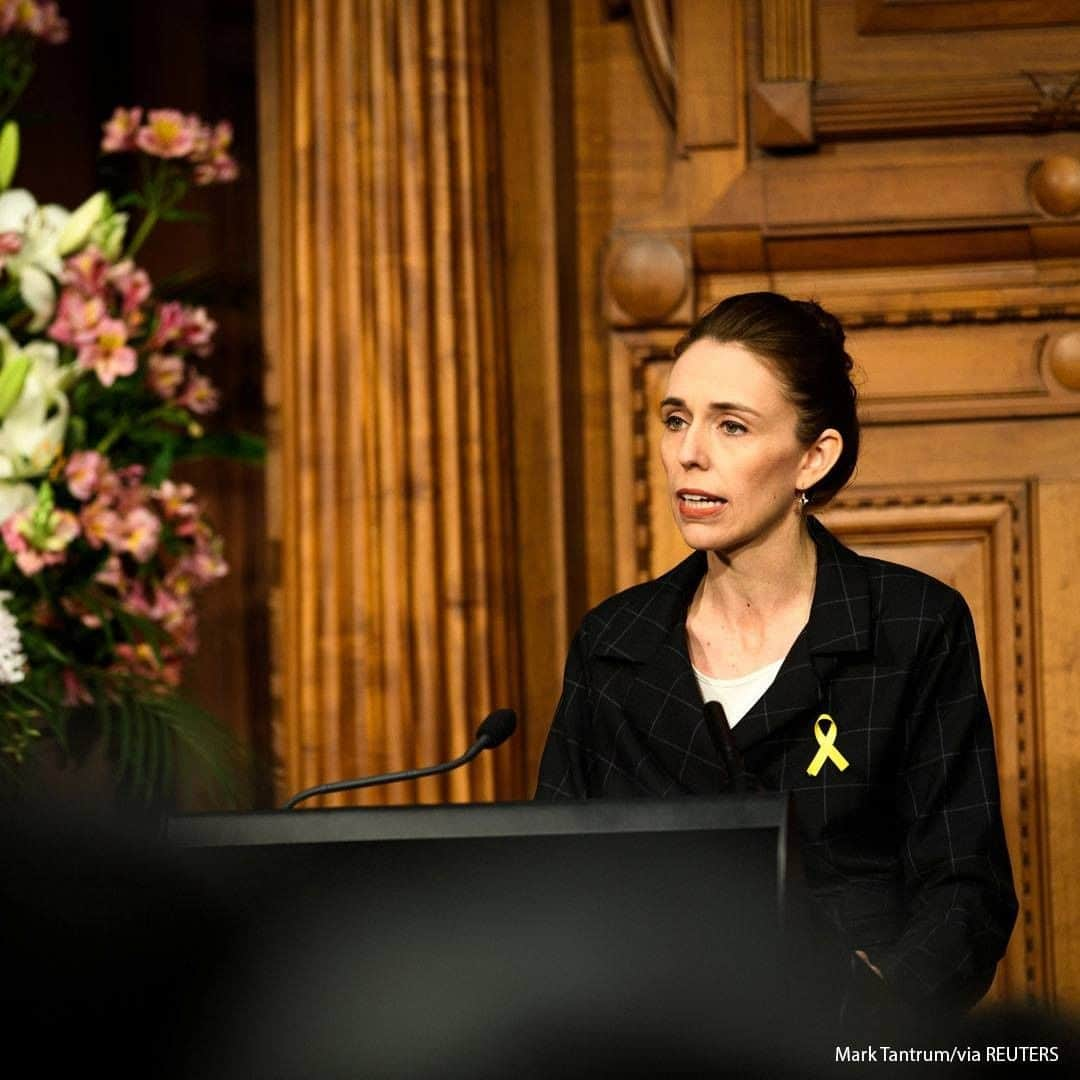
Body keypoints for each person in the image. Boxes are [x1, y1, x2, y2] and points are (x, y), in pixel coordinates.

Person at [535, 291, 1018, 1034]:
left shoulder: (911, 625)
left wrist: (872, 1012)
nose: (690, 451)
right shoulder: (614, 643)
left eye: (731, 424)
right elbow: (554, 886)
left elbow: (965, 892)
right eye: (676, 419)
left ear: (813, 457)